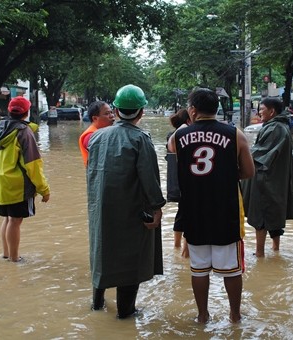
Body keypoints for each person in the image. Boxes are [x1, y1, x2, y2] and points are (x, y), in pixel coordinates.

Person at [169, 88, 255, 323]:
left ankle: (202, 316)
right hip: (225, 210)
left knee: (198, 269)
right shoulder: (234, 134)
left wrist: (188, 125)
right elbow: (248, 171)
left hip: (194, 210)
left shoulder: (179, 135)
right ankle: (235, 316)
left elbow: (171, 148)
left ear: (193, 110)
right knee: (232, 269)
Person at [87, 84, 165, 319]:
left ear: (117, 110)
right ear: (141, 112)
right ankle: (125, 313)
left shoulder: (97, 137)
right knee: (131, 258)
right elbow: (149, 179)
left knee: (102, 252)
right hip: (131, 209)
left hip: (100, 208)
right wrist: (156, 208)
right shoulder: (141, 139)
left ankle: (97, 305)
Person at [0, 96, 50, 263]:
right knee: (15, 220)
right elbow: (33, 165)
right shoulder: (24, 132)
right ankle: (15, 259)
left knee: (7, 218)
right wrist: (44, 189)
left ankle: (6, 254)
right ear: (27, 113)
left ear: (8, 110)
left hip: (0, 184)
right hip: (18, 187)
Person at [241, 97, 293, 258]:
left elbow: (259, 154)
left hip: (266, 180)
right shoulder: (279, 127)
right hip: (276, 180)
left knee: (260, 217)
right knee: (274, 216)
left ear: (272, 111)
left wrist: (239, 159)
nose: (259, 112)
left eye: (261, 109)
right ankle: (276, 250)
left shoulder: (274, 128)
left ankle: (260, 253)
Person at [165, 109, 191, 254]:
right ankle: (184, 252)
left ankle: (177, 247)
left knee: (182, 213)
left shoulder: (174, 135)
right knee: (189, 214)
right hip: (186, 183)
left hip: (178, 183)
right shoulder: (180, 135)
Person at [78, 101, 115, 166]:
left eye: (111, 112)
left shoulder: (103, 132)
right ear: (95, 118)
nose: (112, 116)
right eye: (107, 113)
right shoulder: (90, 136)